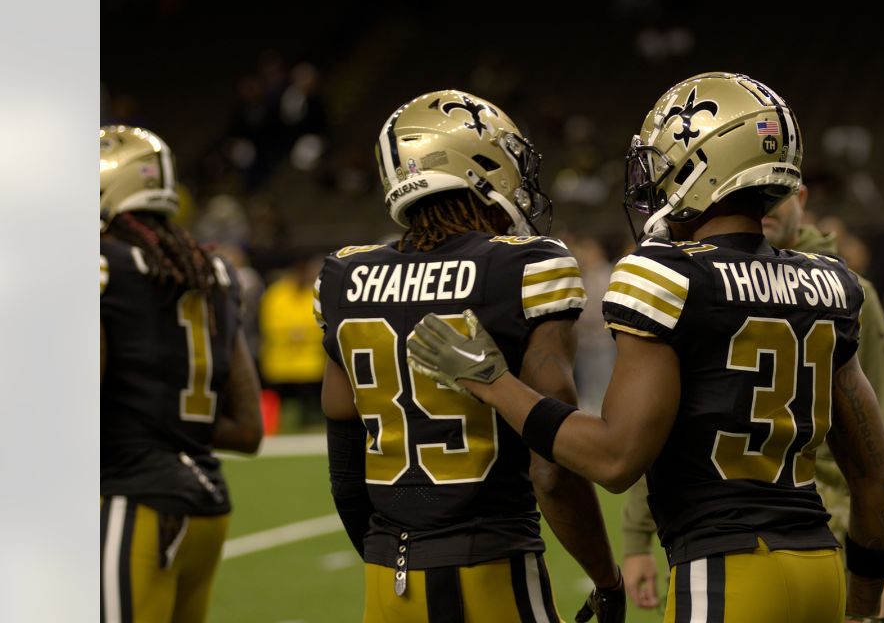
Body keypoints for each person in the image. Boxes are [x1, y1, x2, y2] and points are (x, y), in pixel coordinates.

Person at [410, 73, 884, 622]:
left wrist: (493, 384)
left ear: (701, 164)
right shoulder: (828, 282)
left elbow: (614, 459)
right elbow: (877, 480)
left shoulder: (668, 275)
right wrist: (859, 609)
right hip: (819, 571)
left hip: (726, 574)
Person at [314, 90, 624, 623]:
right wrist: (605, 579)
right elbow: (553, 470)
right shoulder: (526, 267)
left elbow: (346, 471)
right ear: (477, 165)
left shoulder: (344, 277)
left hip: (387, 583)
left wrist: (384, 559)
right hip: (490, 569)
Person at [618, 182, 884, 621]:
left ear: (801, 198)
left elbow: (883, 436)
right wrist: (636, 537)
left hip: (813, 531)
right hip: (752, 541)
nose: (765, 208)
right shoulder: (708, 284)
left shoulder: (844, 292)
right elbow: (668, 427)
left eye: (773, 194)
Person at [100, 126, 264, 623]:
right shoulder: (210, 270)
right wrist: (166, 419)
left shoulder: (103, 265)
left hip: (136, 499)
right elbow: (248, 429)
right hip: (205, 505)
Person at [258, 256, 327, 429]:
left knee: (312, 386)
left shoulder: (315, 293)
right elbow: (269, 323)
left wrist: (302, 335)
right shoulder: (276, 293)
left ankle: (310, 420)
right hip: (281, 358)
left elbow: (321, 323)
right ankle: (273, 423)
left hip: (309, 358)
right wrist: (293, 334)